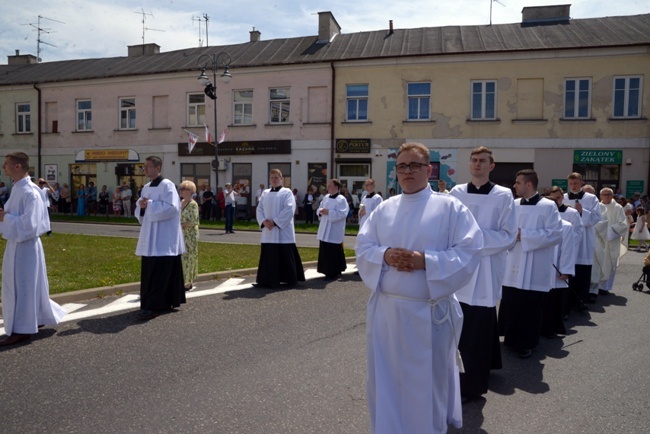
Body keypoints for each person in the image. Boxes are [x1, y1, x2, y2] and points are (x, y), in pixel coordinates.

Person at [356, 142, 483, 433]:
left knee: (426, 383)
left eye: (414, 165)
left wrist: (426, 261)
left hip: (428, 315)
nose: (407, 171)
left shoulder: (450, 207)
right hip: (387, 313)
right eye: (402, 166)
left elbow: (470, 250)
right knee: (385, 380)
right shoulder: (384, 209)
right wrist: (385, 254)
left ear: (428, 170)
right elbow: (363, 248)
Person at [449, 146, 517, 402]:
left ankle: (471, 386)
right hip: (459, 269)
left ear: (492, 166)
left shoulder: (503, 195)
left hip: (486, 270)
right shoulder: (456, 193)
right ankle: (453, 378)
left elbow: (508, 235)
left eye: (483, 161)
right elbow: (449, 228)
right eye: (474, 160)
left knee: (478, 326)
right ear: (469, 164)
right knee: (458, 327)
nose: (477, 164)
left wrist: (471, 240)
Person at [0, 152, 66, 346]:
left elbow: (30, 224)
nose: (4, 167)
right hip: (16, 245)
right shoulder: (18, 188)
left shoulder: (30, 191)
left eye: (6, 164)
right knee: (22, 285)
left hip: (26, 246)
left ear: (18, 166)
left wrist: (5, 218)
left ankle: (22, 329)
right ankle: (34, 319)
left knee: (25, 286)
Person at [499, 169, 562, 358]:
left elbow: (556, 234)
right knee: (512, 302)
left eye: (518, 183)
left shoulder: (548, 206)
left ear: (528, 184)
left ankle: (527, 343)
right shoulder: (513, 205)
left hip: (535, 264)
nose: (514, 186)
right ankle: (510, 338)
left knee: (530, 307)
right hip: (513, 262)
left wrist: (524, 235)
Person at [134, 156, 186, 320]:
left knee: (160, 272)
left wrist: (148, 204)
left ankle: (154, 306)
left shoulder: (167, 185)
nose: (145, 170)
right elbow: (140, 209)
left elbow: (172, 208)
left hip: (164, 237)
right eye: (144, 167)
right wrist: (141, 206)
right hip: (150, 236)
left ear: (158, 167)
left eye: (148, 166)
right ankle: (153, 303)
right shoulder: (146, 187)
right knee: (151, 272)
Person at [255, 169, 305, 288]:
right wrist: (263, 221)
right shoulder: (265, 193)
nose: (274, 179)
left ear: (281, 179)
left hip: (283, 232)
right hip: (268, 231)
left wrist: (275, 222)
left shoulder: (287, 192)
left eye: (276, 177)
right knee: (269, 256)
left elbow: (289, 209)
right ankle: (267, 280)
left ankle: (289, 279)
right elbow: (259, 209)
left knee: (285, 255)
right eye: (272, 177)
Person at [563, 173, 604, 309]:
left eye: (575, 183)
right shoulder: (563, 198)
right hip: (568, 239)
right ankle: (566, 302)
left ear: (581, 182)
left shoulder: (591, 198)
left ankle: (580, 301)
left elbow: (597, 217)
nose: (573, 186)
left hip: (584, 241)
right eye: (571, 184)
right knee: (567, 270)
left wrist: (582, 212)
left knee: (582, 272)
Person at [542, 187, 579, 337]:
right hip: (542, 269)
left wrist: (566, 270)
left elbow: (568, 250)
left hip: (557, 271)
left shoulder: (565, 226)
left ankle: (552, 327)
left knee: (554, 302)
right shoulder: (540, 223)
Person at [596, 188, 628, 294]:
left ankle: (605, 287)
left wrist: (608, 230)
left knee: (609, 263)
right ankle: (595, 285)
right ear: (600, 196)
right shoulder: (597, 206)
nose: (606, 196)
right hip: (598, 240)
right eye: (604, 194)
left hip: (611, 240)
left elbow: (623, 224)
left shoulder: (618, 208)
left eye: (609, 194)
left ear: (612, 195)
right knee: (597, 262)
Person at [316, 179, 349, 280]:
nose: (328, 187)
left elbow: (343, 214)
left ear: (336, 187)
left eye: (330, 185)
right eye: (328, 185)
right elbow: (319, 208)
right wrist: (320, 211)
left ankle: (334, 272)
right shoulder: (326, 197)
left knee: (333, 251)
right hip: (325, 227)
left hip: (334, 229)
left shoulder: (341, 199)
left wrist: (329, 212)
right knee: (325, 249)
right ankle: (325, 270)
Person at [179, 180, 199, 291]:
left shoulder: (193, 204)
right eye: (180, 188)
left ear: (190, 191)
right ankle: (182, 279)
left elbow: (193, 221)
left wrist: (180, 225)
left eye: (183, 189)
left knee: (189, 257)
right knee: (182, 257)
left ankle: (188, 282)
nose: (181, 191)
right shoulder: (181, 202)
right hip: (181, 234)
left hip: (190, 235)